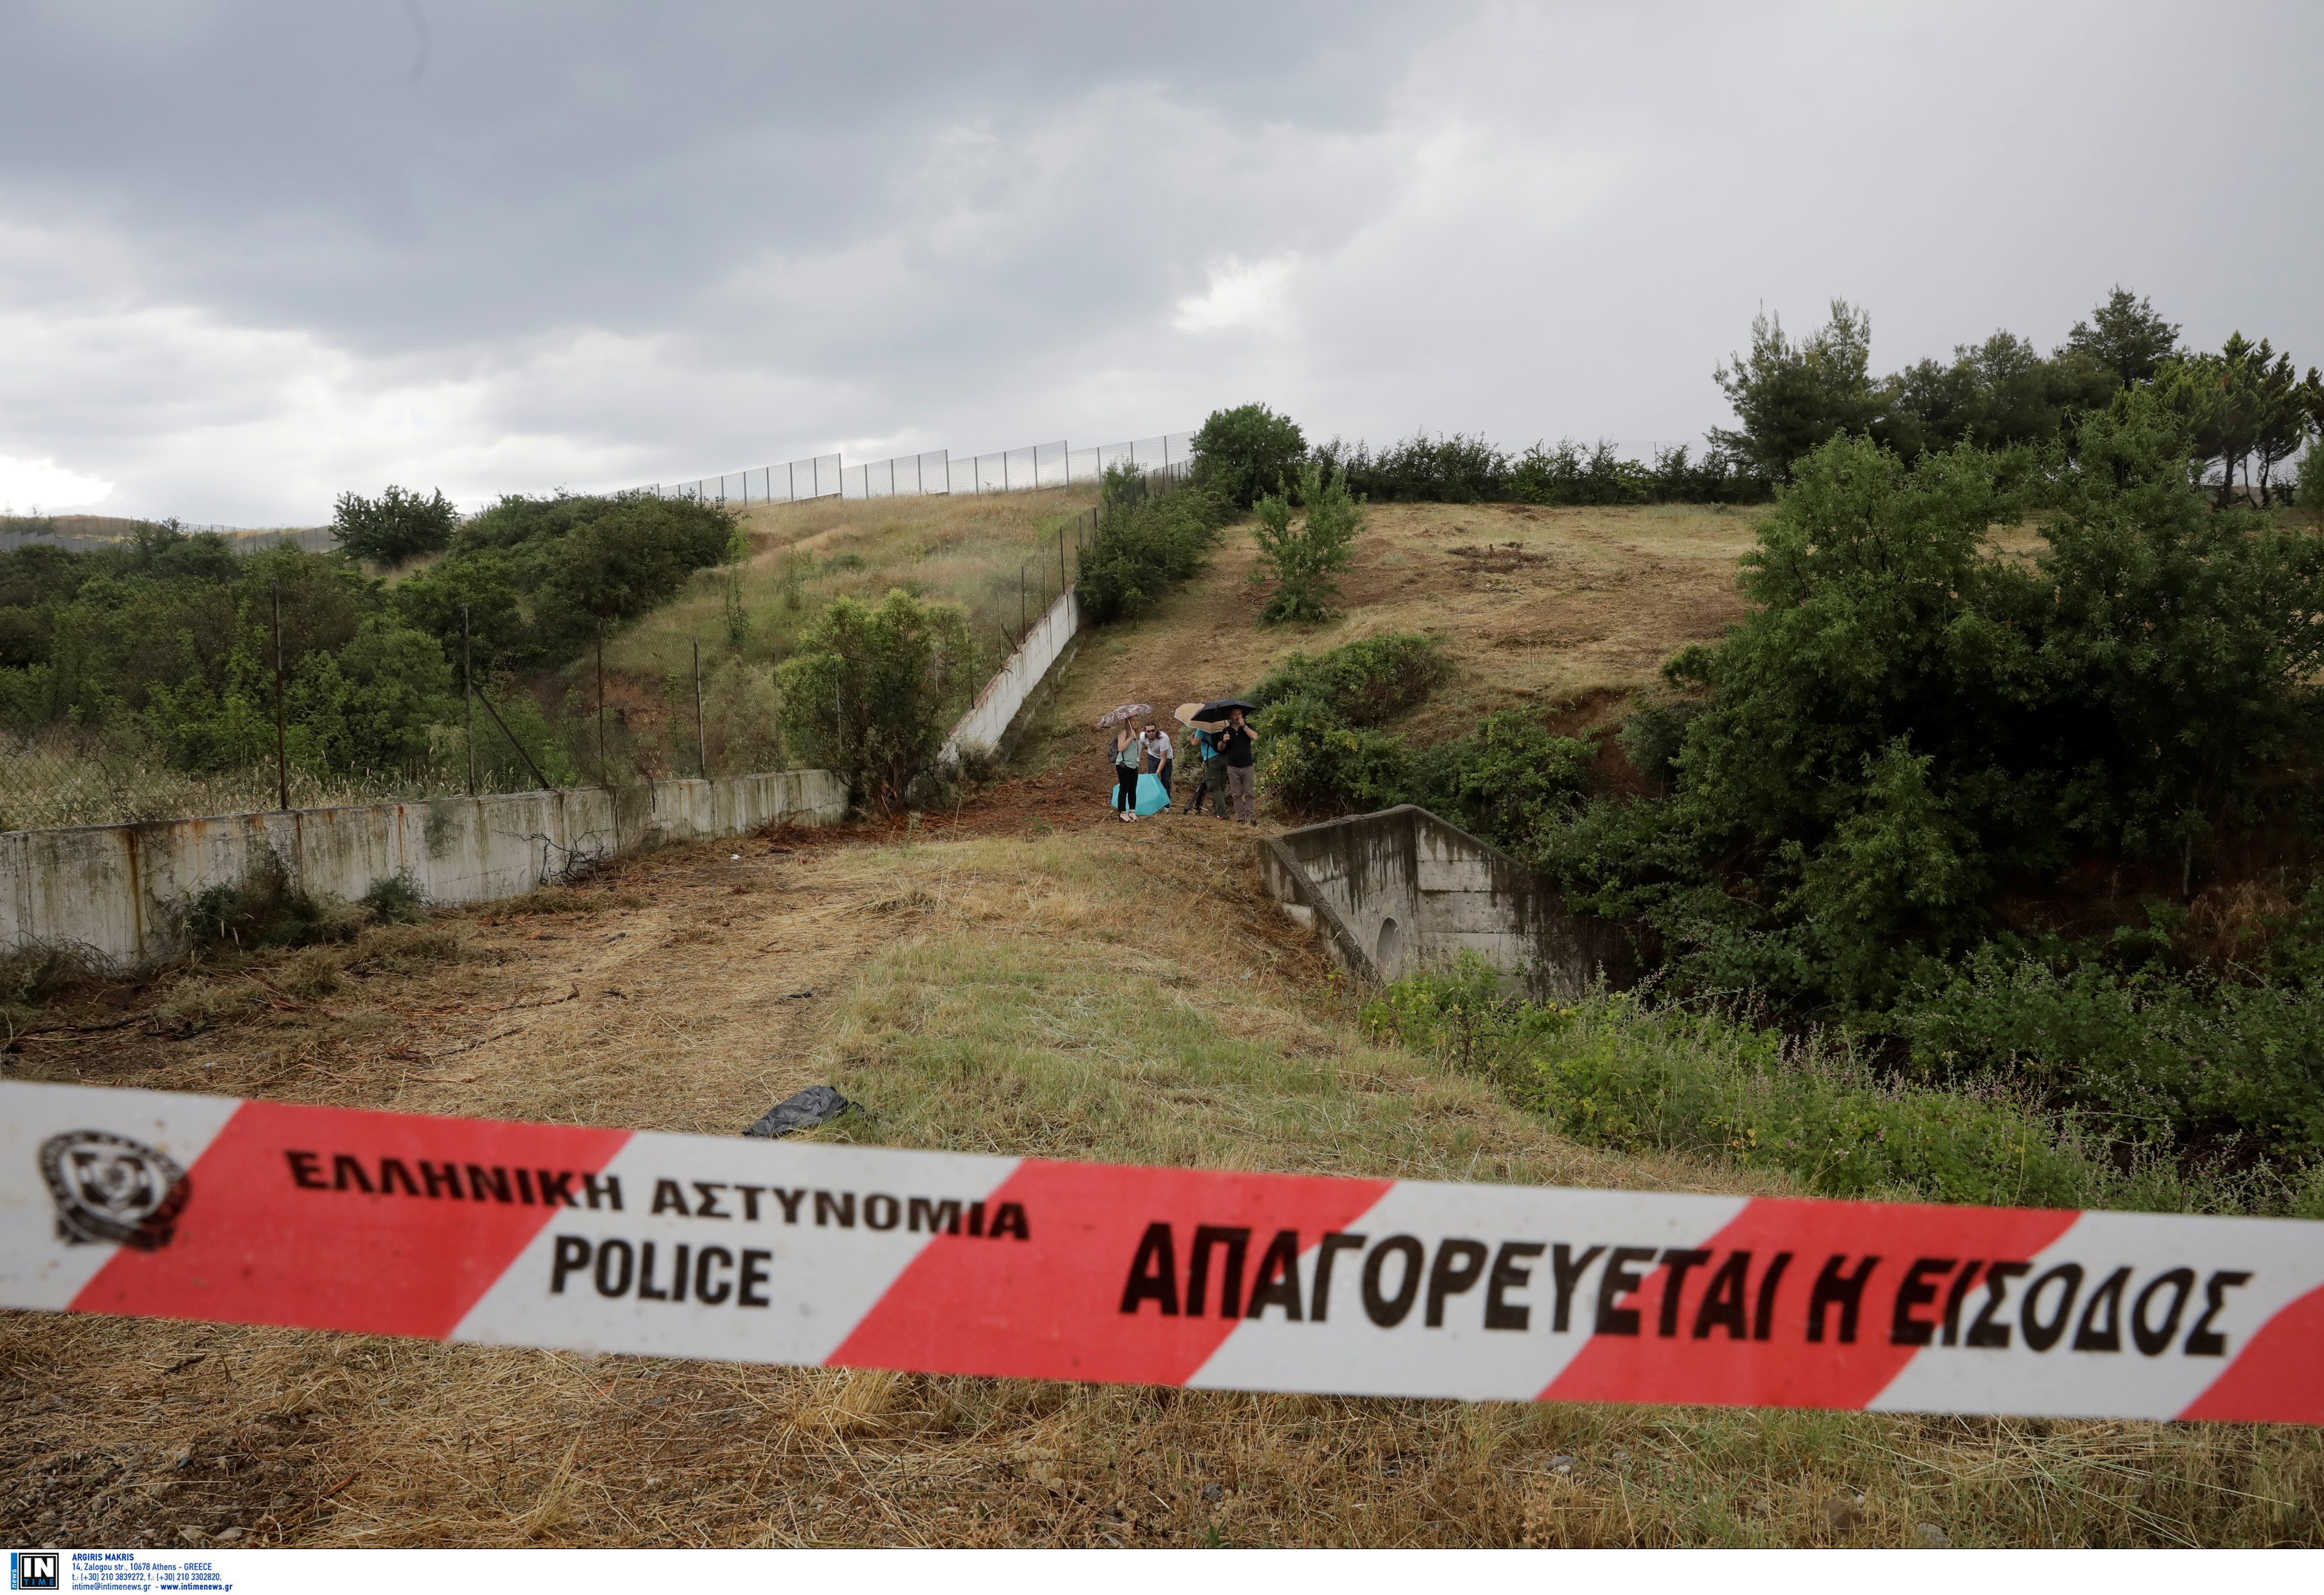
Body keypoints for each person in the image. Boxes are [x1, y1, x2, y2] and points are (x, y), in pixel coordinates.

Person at [1221, 707, 1258, 825]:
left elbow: (1255, 737)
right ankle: (1241, 819)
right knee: (1237, 794)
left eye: (1240, 714)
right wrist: (1223, 741)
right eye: (1235, 715)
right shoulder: (1226, 731)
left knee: (1249, 793)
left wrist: (1244, 726)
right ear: (1231, 717)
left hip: (1248, 766)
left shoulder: (1248, 726)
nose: (1238, 717)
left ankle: (1252, 819)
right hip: (1233, 767)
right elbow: (1220, 748)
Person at [1187, 723, 1227, 817]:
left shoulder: (1203, 727)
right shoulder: (1222, 724)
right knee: (1221, 785)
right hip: (1225, 758)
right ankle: (1216, 811)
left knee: (1213, 786)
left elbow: (1194, 743)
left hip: (1212, 759)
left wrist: (1192, 737)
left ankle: (1222, 813)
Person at [1111, 721, 1143, 822]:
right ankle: (1123, 812)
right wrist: (1129, 738)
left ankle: (1132, 811)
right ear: (1128, 722)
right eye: (1133, 720)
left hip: (1134, 765)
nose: (1135, 722)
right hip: (1124, 764)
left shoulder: (1137, 735)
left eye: (1137, 720)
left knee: (1133, 788)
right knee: (1124, 788)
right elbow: (1120, 748)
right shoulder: (1124, 733)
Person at [1143, 722, 1175, 811]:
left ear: (1156, 730)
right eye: (1148, 731)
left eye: (1153, 731)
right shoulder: (1143, 737)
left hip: (1166, 759)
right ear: (1145, 732)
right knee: (1152, 782)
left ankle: (1166, 807)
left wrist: (1157, 773)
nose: (1151, 733)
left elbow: (1163, 759)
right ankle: (1154, 806)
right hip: (1152, 757)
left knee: (1166, 782)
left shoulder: (1163, 738)